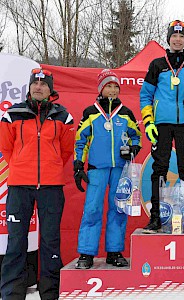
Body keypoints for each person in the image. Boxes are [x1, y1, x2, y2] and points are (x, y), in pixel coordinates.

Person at [0, 68, 75, 299]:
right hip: (19, 186)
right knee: (16, 241)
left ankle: (50, 292)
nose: (39, 87)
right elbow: (6, 148)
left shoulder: (63, 116)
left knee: (50, 241)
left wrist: (50, 169)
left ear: (51, 89)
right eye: (35, 83)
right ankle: (12, 292)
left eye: (44, 84)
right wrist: (23, 167)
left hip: (51, 187)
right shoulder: (13, 114)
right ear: (30, 87)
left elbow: (66, 150)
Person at [139, 20, 184, 234]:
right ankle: (155, 217)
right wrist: (149, 122)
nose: (177, 39)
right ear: (168, 38)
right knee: (159, 168)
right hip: (161, 124)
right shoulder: (157, 65)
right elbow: (145, 96)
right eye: (174, 36)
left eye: (181, 36)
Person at [74, 69, 142, 269]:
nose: (112, 90)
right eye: (108, 86)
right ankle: (86, 253)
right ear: (101, 88)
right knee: (92, 209)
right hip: (97, 168)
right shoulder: (91, 112)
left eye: (115, 86)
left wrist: (133, 148)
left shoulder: (126, 113)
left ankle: (114, 251)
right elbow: (81, 141)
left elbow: (136, 136)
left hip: (120, 169)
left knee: (118, 209)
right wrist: (78, 164)